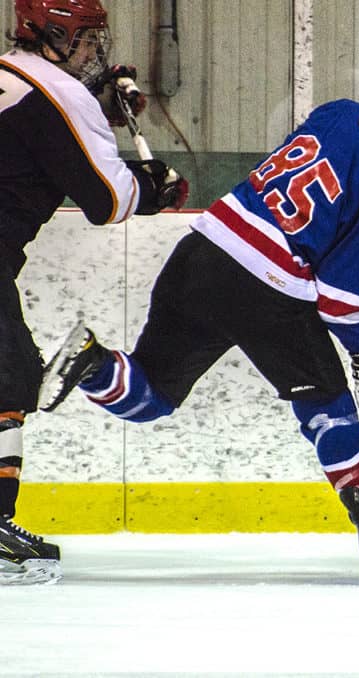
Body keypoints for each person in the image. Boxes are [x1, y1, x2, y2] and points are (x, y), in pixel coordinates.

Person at [38, 86, 359, 574]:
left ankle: (93, 365)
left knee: (151, 395)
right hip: (267, 290)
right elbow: (342, 300)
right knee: (327, 406)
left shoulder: (341, 114)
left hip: (202, 252)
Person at [1, 0, 188, 584]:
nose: (93, 53)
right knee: (9, 380)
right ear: (54, 36)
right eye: (84, 40)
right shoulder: (59, 95)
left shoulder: (12, 74)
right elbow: (106, 200)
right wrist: (155, 189)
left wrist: (101, 111)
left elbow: (42, 143)